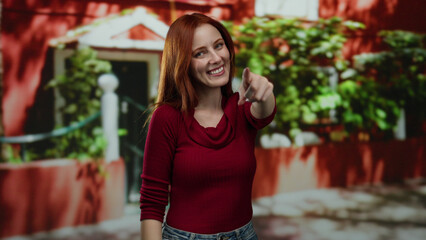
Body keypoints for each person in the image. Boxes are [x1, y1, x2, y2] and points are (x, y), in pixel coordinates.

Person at [140, 12, 276, 240]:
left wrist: (264, 91)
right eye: (200, 53)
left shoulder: (241, 108)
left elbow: (265, 112)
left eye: (219, 45)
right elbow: (152, 201)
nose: (216, 58)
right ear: (183, 62)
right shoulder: (167, 117)